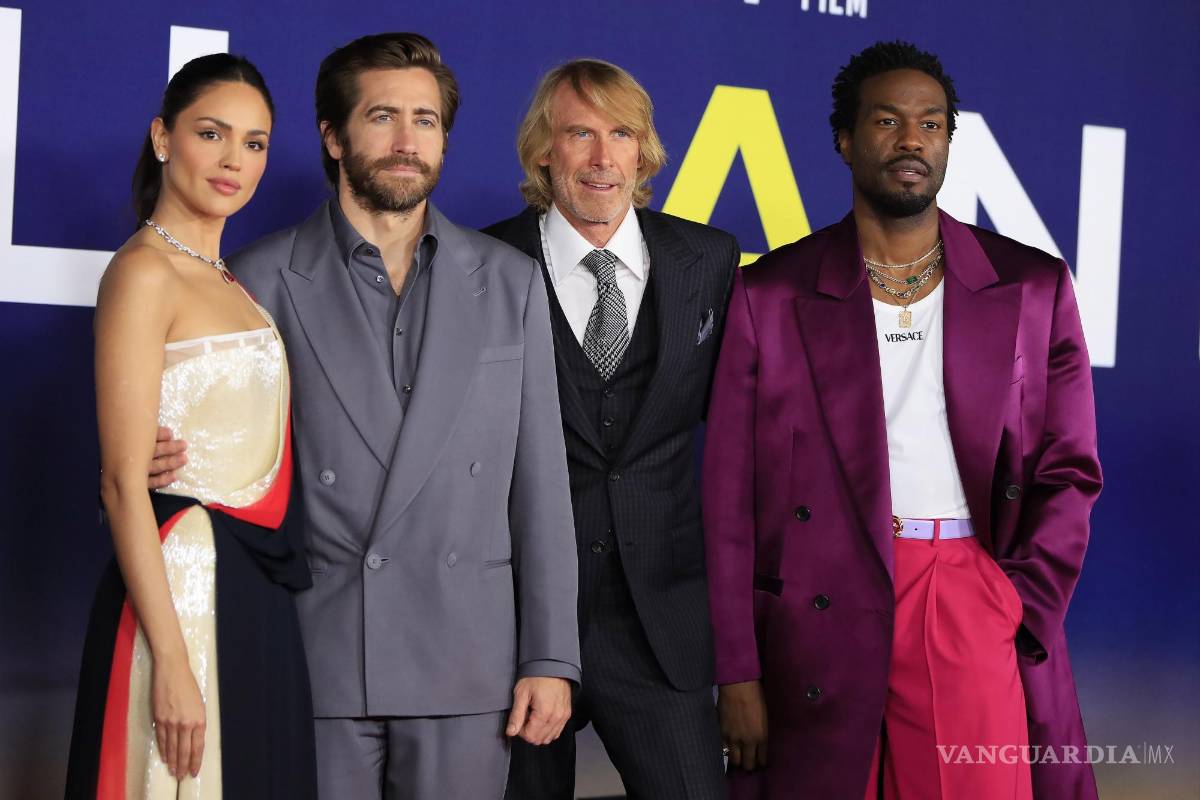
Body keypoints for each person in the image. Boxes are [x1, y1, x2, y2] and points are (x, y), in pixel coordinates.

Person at [150, 33, 579, 799]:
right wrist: (168, 459)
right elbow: (223, 458)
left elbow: (541, 484)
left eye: (426, 119)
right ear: (333, 136)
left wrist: (550, 656)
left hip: (466, 658)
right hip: (316, 650)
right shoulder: (259, 278)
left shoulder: (510, 281)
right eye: (382, 116)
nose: (407, 141)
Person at [704, 41, 1102, 799]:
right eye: (888, 120)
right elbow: (728, 500)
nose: (912, 139)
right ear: (846, 139)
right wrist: (739, 670)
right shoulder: (772, 292)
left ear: (950, 140)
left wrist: (1019, 601)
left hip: (969, 592)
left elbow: (1070, 466)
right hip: (816, 610)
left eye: (932, 123)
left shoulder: (1031, 285)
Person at [485, 59, 738, 799]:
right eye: (580, 134)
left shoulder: (709, 260)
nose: (602, 158)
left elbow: (739, 442)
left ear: (644, 151)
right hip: (516, 627)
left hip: (660, 626)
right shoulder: (482, 262)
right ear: (543, 149)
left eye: (621, 134)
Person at [65, 54, 316, 799]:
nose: (234, 159)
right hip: (184, 588)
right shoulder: (145, 272)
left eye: (255, 142)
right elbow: (121, 480)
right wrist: (171, 663)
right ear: (163, 137)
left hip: (252, 582)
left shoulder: (229, 278)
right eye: (213, 133)